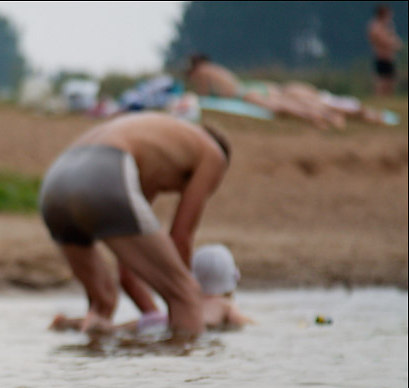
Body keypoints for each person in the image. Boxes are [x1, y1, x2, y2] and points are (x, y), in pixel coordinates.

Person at [40, 112, 233, 338]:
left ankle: (89, 360)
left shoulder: (158, 150)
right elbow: (180, 237)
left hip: (55, 182)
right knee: (186, 293)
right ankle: (188, 372)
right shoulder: (214, 155)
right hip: (104, 167)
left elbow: (130, 269)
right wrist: (182, 297)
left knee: (104, 300)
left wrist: (154, 319)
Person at [52, 244, 252, 334]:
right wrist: (255, 325)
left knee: (115, 329)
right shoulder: (225, 305)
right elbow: (241, 323)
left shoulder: (192, 298)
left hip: (160, 319)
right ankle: (90, 324)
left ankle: (74, 322)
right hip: (183, 326)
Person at [185, 54, 344, 129]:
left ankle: (316, 118)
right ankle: (327, 114)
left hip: (245, 94)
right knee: (286, 103)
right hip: (253, 87)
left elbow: (203, 96)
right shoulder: (215, 69)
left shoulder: (202, 71)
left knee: (281, 108)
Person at [368, 4, 403, 96]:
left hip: (389, 57)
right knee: (382, 82)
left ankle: (388, 101)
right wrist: (394, 44)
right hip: (381, 57)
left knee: (391, 82)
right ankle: (380, 100)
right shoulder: (376, 26)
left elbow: (393, 40)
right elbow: (383, 41)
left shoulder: (387, 26)